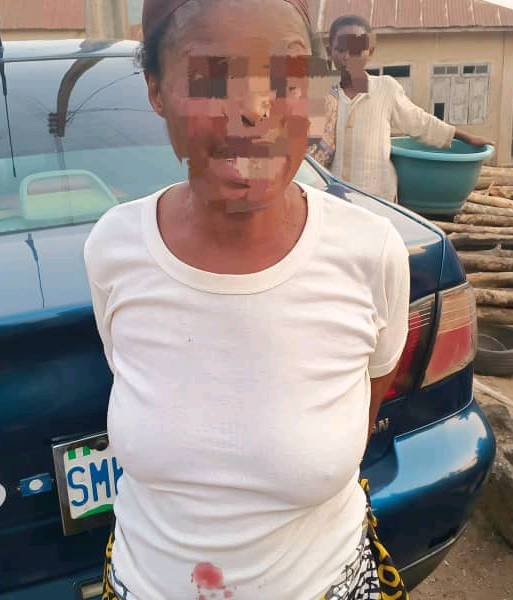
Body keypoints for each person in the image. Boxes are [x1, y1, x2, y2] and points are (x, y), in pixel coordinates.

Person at [84, 1, 413, 599]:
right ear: (156, 90)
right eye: (214, 76)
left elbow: (370, 393)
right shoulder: (116, 249)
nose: (257, 108)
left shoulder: (370, 253)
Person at [308, 14, 493, 202]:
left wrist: (466, 137)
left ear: (370, 51)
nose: (348, 57)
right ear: (330, 51)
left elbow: (420, 122)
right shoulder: (326, 98)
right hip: (338, 198)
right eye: (340, 49)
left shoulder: (386, 88)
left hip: (378, 197)